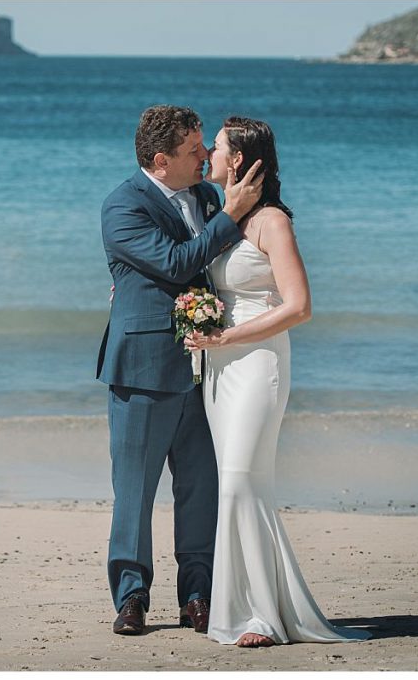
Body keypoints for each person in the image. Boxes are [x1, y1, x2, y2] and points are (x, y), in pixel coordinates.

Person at [185, 116, 372, 648]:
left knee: (243, 480)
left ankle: (263, 617)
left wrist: (230, 336)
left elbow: (300, 307)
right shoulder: (223, 215)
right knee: (240, 486)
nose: (205, 154)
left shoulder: (272, 222)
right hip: (220, 369)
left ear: (239, 160)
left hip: (258, 364)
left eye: (215, 148)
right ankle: (248, 609)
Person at [96, 105, 264, 636]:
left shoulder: (206, 196)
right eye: (196, 150)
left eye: (204, 146)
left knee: (200, 488)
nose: (207, 157)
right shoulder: (123, 205)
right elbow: (175, 263)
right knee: (136, 492)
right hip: (144, 369)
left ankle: (198, 595)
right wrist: (230, 216)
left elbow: (215, 269)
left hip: (207, 368)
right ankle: (131, 597)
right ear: (161, 159)